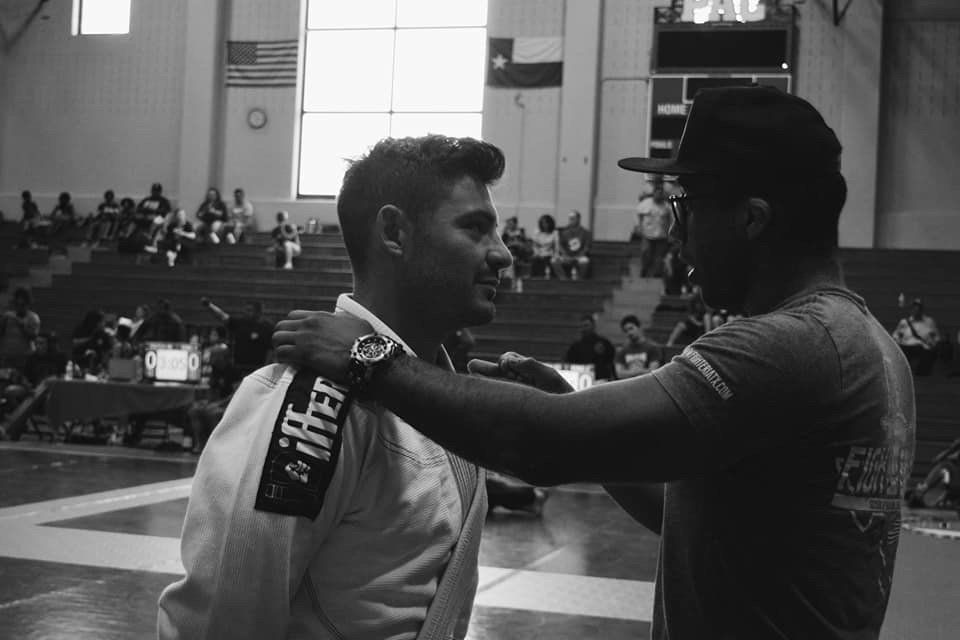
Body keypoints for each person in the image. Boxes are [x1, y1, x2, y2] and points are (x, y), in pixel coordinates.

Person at [272, 86, 917, 639]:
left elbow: (538, 445)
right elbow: (694, 518)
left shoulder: (787, 347)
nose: (673, 232)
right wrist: (565, 400)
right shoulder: (869, 345)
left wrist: (369, 358)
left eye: (684, 206)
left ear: (752, 219)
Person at [158, 134, 509, 639]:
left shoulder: (443, 397)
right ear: (394, 232)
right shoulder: (316, 403)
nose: (502, 254)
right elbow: (221, 620)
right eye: (475, 228)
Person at [200, 298, 273, 378]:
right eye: (245, 310)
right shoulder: (240, 324)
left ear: (258, 312)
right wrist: (209, 305)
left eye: (249, 310)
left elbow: (270, 350)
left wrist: (265, 369)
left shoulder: (267, 328)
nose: (245, 313)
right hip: (239, 368)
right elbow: (222, 316)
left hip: (257, 370)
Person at [631, 175, 672, 277]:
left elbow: (671, 219)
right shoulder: (645, 203)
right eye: (657, 192)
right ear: (653, 193)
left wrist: (671, 232)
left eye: (660, 192)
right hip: (647, 235)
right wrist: (638, 227)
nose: (659, 194)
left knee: (659, 257)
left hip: (661, 235)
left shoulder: (667, 206)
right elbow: (637, 215)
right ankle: (644, 270)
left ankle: (656, 275)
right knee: (646, 253)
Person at [892, 298, 941, 376]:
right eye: (914, 308)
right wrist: (898, 342)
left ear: (922, 310)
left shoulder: (929, 321)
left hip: (922, 347)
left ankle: (921, 374)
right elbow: (895, 335)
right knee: (901, 356)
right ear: (911, 310)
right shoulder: (904, 322)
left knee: (927, 356)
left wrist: (933, 344)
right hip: (906, 346)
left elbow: (937, 337)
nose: (916, 310)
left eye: (918, 308)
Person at [563, 314, 616, 381]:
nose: (584, 329)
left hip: (600, 381)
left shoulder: (604, 343)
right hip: (582, 380)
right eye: (582, 326)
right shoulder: (575, 347)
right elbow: (569, 364)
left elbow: (611, 362)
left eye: (586, 325)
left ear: (593, 326)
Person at [0, 287, 41, 370]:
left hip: (25, 356)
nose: (19, 307)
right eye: (17, 304)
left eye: (22, 305)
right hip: (7, 356)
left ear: (28, 304)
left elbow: (33, 336)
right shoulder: (7, 316)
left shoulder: (33, 317)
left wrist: (21, 325)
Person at [614, 314, 663, 379]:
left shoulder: (653, 347)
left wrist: (629, 372)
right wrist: (641, 372)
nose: (629, 333)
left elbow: (653, 373)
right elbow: (619, 374)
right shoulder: (622, 350)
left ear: (639, 327)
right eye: (626, 331)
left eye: (631, 328)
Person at [552, 210, 592, 279]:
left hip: (579, 256)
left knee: (585, 261)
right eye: (570, 218)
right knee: (554, 260)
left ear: (578, 219)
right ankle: (563, 279)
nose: (571, 220)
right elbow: (560, 246)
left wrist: (577, 256)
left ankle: (579, 280)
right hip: (567, 256)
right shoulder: (564, 232)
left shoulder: (585, 232)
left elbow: (586, 247)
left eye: (573, 218)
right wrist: (565, 255)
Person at [529, 213, 559, 278]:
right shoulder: (537, 232)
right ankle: (534, 279)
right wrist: (537, 253)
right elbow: (535, 246)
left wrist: (555, 256)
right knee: (535, 260)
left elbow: (556, 247)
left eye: (546, 223)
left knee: (551, 261)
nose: (545, 225)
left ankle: (551, 279)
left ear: (550, 223)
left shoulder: (555, 233)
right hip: (539, 254)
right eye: (543, 223)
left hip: (550, 254)